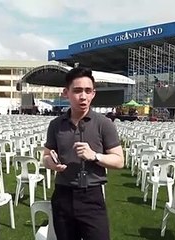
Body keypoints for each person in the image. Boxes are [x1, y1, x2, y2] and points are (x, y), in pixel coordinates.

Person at [44, 67, 124, 240]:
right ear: (66, 93)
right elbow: (45, 156)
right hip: (63, 195)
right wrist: (51, 163)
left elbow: (119, 161)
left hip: (92, 196)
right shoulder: (56, 125)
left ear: (93, 94)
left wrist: (95, 156)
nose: (83, 96)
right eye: (78, 91)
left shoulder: (104, 124)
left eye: (88, 91)